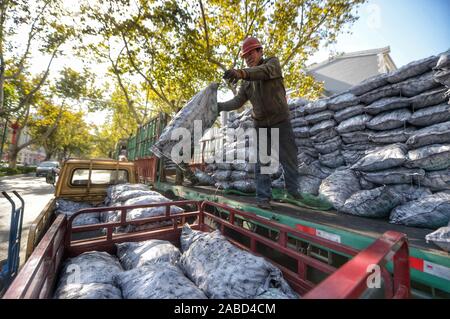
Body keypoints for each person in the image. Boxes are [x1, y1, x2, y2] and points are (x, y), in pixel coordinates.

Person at [218, 37, 303, 209]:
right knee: (263, 162)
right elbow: (238, 101)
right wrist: (219, 106)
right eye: (245, 55)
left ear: (260, 51)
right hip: (261, 124)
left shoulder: (272, 63)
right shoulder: (246, 81)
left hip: (281, 120)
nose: (248, 57)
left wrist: (241, 72)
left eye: (252, 53)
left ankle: (293, 193)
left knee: (289, 158)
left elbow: (262, 72)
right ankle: (263, 198)